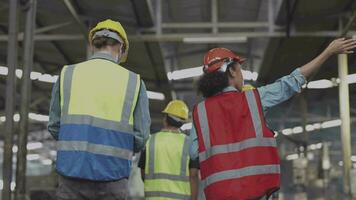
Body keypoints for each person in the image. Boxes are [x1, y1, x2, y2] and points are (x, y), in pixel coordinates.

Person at [189, 38, 356, 200]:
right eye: (240, 69)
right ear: (231, 71)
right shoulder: (254, 99)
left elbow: (195, 153)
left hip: (219, 195)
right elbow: (291, 82)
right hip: (255, 192)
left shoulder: (200, 112)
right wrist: (327, 52)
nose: (242, 75)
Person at [48, 19, 151, 200]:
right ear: (121, 48)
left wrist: (76, 145)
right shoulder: (133, 82)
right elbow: (141, 136)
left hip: (72, 175)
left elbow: (55, 126)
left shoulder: (68, 74)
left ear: (93, 45)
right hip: (113, 176)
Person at [139, 100, 200, 200]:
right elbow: (193, 175)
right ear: (182, 122)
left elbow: (143, 173)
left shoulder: (150, 141)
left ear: (165, 119)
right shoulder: (189, 144)